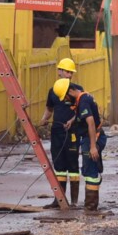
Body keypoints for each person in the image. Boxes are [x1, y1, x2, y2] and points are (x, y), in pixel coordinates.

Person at [64, 81, 107, 212]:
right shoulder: (83, 98)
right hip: (90, 138)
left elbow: (91, 123)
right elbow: (81, 116)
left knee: (90, 171)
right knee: (89, 169)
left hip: (92, 138)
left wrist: (93, 146)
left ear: (71, 91)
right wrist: (72, 121)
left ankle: (91, 206)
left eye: (66, 97)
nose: (66, 101)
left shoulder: (82, 102)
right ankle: (90, 204)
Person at [43, 60, 80, 208]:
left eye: (71, 72)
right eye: (66, 71)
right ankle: (59, 199)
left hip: (72, 133)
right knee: (58, 165)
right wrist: (44, 119)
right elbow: (49, 109)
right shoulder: (53, 91)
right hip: (57, 132)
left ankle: (74, 201)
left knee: (72, 165)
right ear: (59, 71)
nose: (69, 75)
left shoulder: (76, 91)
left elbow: (81, 111)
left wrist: (72, 120)